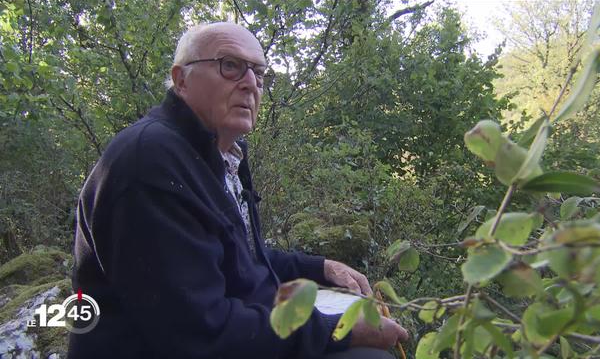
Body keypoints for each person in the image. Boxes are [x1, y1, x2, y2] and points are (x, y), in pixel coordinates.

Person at [68, 22, 408, 359]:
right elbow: (199, 334)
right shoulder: (151, 163)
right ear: (180, 79)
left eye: (259, 74)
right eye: (230, 66)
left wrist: (319, 267)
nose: (251, 84)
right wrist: (338, 330)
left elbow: (235, 254)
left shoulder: (221, 153)